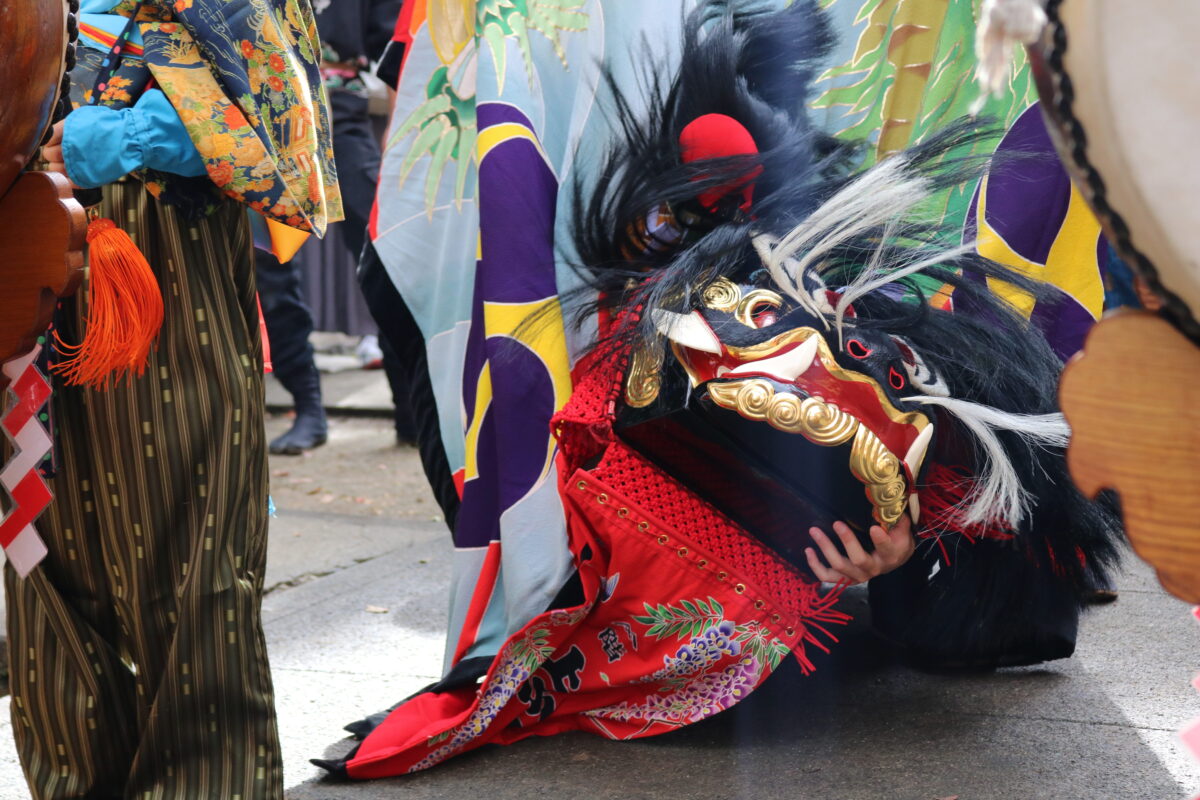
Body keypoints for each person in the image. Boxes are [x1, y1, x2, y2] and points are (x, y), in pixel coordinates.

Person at [318, 0, 1120, 780]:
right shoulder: (620, 260)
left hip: (826, 543)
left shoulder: (862, 314)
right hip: (647, 423)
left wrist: (904, 558)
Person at [21, 1, 340, 797]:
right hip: (25, 249)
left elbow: (272, 103)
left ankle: (204, 783)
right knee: (44, 540)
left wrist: (118, 139)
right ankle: (74, 778)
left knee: (188, 537)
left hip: (163, 250)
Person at [257, 0, 403, 456]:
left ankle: (414, 408)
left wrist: (402, 127)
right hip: (267, 115)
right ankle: (308, 407)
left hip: (343, 113)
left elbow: (397, 46)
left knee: (383, 257)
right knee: (272, 267)